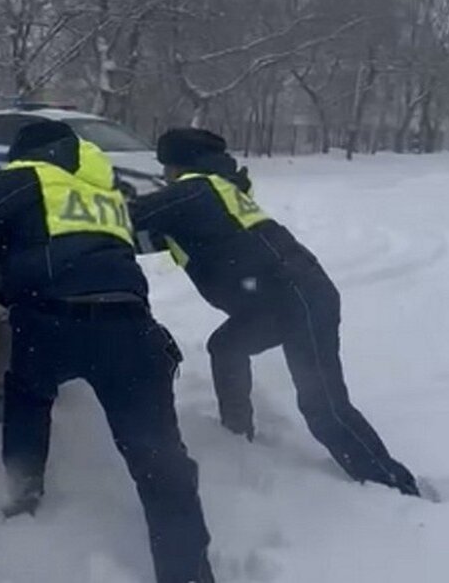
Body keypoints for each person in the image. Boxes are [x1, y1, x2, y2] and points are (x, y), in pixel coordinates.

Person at [0, 121, 214, 583]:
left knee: (29, 398)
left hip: (51, 322)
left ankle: (21, 499)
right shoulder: (107, 195)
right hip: (131, 329)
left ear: (26, 154)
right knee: (157, 457)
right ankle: (189, 572)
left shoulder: (27, 177)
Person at [128, 127, 419, 497]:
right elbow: (142, 237)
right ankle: (237, 435)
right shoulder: (213, 193)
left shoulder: (195, 190)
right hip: (279, 300)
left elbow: (126, 217)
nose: (164, 175)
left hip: (297, 299)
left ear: (176, 165)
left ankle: (394, 486)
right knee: (227, 347)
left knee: (323, 406)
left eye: (165, 166)